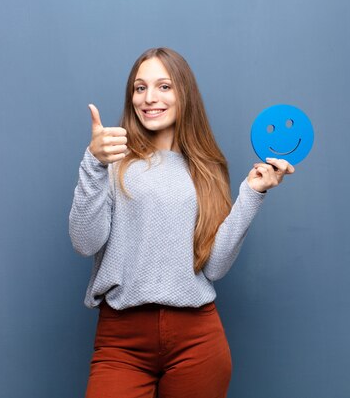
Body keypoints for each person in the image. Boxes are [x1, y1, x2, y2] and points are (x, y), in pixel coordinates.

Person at [69, 47, 294, 398]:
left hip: (197, 339)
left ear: (183, 93)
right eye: (140, 88)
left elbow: (215, 266)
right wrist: (93, 163)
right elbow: (84, 242)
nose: (149, 98)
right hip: (122, 339)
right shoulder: (112, 160)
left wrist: (252, 193)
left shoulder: (207, 167)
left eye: (164, 86)